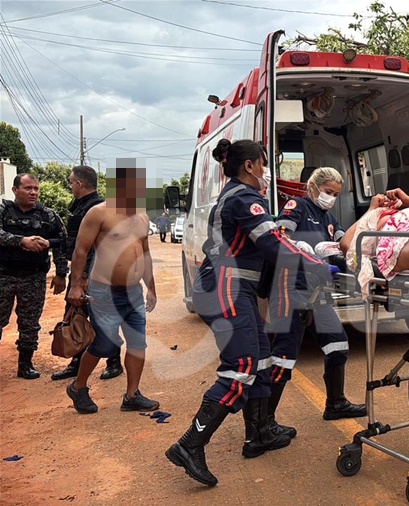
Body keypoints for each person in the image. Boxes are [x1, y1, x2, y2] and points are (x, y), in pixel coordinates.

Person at [165, 139, 330, 487]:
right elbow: (272, 243)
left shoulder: (238, 195)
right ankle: (189, 444)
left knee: (262, 359)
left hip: (233, 286)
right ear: (250, 166)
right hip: (225, 285)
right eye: (264, 164)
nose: (267, 171)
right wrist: (316, 264)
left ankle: (260, 433)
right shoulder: (243, 197)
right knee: (240, 366)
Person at [267, 167, 366, 430]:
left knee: (337, 344)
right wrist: (305, 251)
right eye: (327, 191)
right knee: (284, 357)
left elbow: (344, 246)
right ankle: (264, 423)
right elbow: (280, 237)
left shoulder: (329, 218)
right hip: (290, 288)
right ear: (313, 187)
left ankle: (336, 403)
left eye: (335, 194)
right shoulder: (297, 206)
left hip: (316, 292)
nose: (330, 197)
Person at [66, 164, 159, 415]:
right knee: (105, 345)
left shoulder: (142, 218)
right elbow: (81, 250)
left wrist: (151, 288)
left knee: (137, 343)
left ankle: (132, 395)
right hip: (104, 292)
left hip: (133, 292)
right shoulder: (99, 213)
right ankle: (78, 387)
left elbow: (145, 254)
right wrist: (75, 285)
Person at [52, 165, 124, 382]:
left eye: (71, 182)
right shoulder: (81, 206)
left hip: (93, 275)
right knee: (76, 315)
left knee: (103, 318)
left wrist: (84, 277)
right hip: (81, 272)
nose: (70, 186)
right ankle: (77, 361)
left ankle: (114, 362)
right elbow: (75, 243)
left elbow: (95, 248)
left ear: (79, 183)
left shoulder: (97, 209)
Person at [0, 174, 68, 379]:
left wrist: (61, 273)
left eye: (36, 189)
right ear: (15, 190)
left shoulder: (48, 215)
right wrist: (21, 241)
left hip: (34, 277)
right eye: (28, 188)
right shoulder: (3, 210)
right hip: (4, 275)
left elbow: (63, 242)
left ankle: (25, 364)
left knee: (30, 322)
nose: (33, 192)